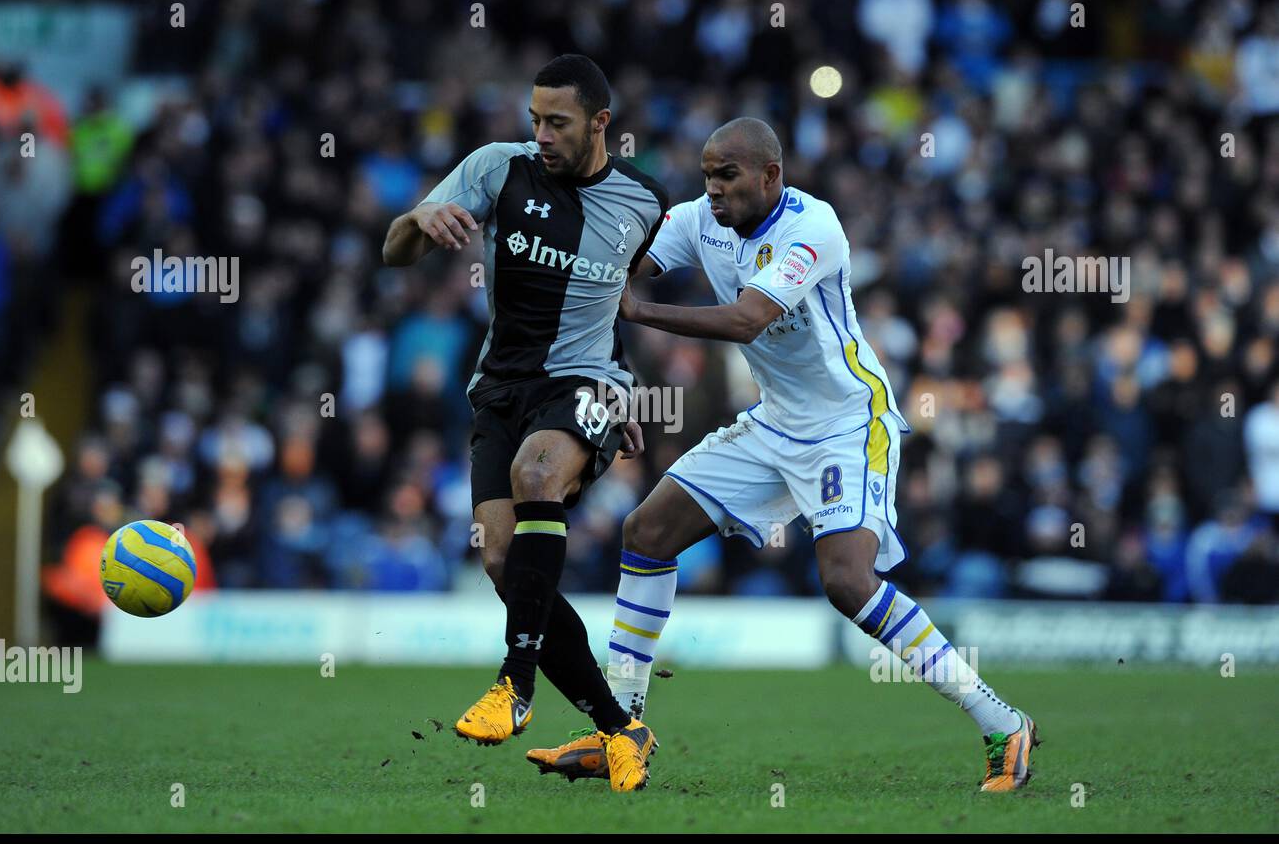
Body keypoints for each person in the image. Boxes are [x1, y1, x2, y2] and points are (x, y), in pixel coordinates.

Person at [526, 118, 1040, 792]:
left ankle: (1001, 721)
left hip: (848, 422)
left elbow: (746, 318)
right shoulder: (696, 219)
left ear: (771, 175)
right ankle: (619, 729)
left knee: (848, 582)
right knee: (647, 531)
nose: (714, 191)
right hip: (774, 422)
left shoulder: (814, 228)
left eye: (728, 176)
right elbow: (617, 263)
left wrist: (639, 312)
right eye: (708, 176)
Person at [382, 54, 668, 792]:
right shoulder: (496, 169)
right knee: (507, 564)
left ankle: (515, 682)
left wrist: (610, 406)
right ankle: (620, 727)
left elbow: (617, 302)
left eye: (557, 122)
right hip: (499, 388)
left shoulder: (645, 204)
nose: (540, 134)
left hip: (585, 382)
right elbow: (394, 252)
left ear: (600, 124)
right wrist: (417, 218)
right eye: (534, 119)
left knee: (538, 472)